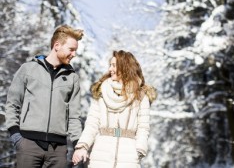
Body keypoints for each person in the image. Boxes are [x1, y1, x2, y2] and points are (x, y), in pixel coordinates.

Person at [5, 24, 84, 168]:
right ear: (57, 45)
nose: (74, 54)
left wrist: (78, 144)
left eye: (75, 51)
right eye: (71, 49)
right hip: (28, 145)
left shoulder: (72, 78)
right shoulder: (28, 69)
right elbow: (12, 103)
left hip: (58, 151)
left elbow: (74, 116)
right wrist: (16, 135)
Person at [72, 50, 157, 168]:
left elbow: (143, 127)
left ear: (125, 67)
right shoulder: (101, 92)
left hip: (129, 156)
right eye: (109, 65)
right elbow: (92, 123)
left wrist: (139, 150)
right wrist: (82, 146)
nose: (110, 69)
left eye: (113, 65)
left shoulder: (141, 96)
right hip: (100, 155)